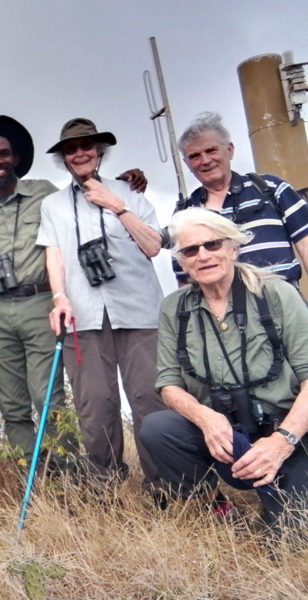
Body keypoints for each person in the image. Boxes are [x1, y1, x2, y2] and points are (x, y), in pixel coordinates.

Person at [0, 115, 146, 469]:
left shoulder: (44, 192)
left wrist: (126, 182)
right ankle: (31, 476)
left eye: (4, 153)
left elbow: (84, 188)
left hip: (38, 302)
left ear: (15, 158)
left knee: (46, 395)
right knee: (12, 403)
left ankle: (64, 473)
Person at [141, 208, 308, 528]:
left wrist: (282, 441)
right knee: (158, 429)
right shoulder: (174, 309)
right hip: (223, 433)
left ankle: (279, 500)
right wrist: (206, 419)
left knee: (290, 539)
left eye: (213, 245)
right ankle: (216, 508)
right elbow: (168, 383)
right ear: (181, 261)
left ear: (233, 247)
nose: (203, 255)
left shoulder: (277, 294)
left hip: (286, 430)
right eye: (190, 250)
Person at [38, 118, 165, 487]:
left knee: (149, 400)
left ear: (100, 151)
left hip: (139, 312)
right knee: (94, 406)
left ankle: (163, 486)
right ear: (63, 157)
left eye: (86, 146)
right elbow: (54, 256)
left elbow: (154, 245)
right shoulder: (53, 205)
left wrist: (117, 205)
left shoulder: (130, 192)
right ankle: (106, 487)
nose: (79, 153)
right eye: (71, 149)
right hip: (83, 316)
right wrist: (59, 297)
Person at [173, 112, 308, 285]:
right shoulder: (184, 213)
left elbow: (306, 245)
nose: (205, 160)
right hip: (223, 311)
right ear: (187, 164)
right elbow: (184, 279)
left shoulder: (271, 188)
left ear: (229, 150)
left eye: (211, 150)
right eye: (195, 156)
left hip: (283, 306)